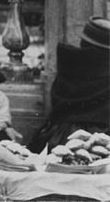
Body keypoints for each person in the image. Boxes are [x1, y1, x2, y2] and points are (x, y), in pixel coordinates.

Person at [29, 16, 110, 152]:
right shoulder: (106, 73)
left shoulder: (69, 64)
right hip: (102, 138)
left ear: (83, 42)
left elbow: (56, 101)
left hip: (60, 135)